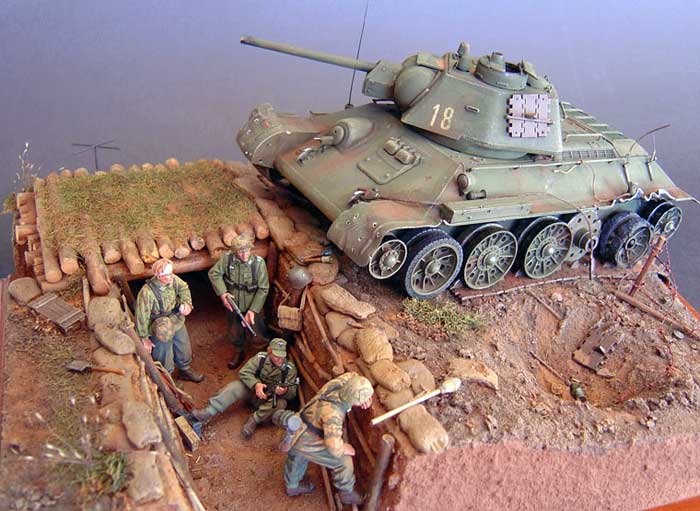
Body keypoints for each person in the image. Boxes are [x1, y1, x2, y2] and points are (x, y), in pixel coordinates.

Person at [275, 372, 373, 506]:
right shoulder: (334, 414)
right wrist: (344, 448)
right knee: (344, 461)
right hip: (307, 439)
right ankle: (346, 493)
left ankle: (292, 485)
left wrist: (361, 391)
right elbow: (334, 448)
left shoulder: (335, 385)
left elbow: (351, 375)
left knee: (297, 456)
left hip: (299, 427)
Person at [191, 338, 298, 439]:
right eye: (276, 356)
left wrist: (284, 391)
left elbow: (292, 393)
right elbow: (244, 372)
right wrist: (256, 384)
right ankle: (209, 412)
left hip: (269, 400)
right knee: (235, 386)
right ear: (269, 352)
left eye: (282, 356)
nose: (280, 359)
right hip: (253, 392)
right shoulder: (261, 358)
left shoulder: (289, 369)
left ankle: (253, 420)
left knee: (281, 404)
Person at [135, 258, 204, 383]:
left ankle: (184, 369)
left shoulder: (173, 280)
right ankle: (168, 378)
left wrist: (187, 303)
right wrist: (144, 338)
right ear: (157, 275)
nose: (169, 277)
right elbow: (141, 316)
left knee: (183, 345)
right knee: (163, 353)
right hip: (159, 326)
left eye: (171, 273)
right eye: (165, 275)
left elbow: (183, 287)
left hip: (175, 318)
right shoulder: (147, 292)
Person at [208, 233, 270, 369]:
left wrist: (253, 310)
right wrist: (223, 293)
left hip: (253, 304)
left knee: (258, 332)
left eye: (247, 250)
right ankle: (238, 351)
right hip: (234, 303)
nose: (244, 255)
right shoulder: (228, 259)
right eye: (240, 252)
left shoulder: (258, 264)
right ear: (235, 251)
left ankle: (261, 357)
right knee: (235, 331)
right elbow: (214, 273)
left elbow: (263, 288)